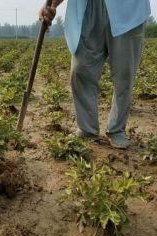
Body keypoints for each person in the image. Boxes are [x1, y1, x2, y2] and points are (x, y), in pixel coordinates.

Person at [40, 0, 151, 149]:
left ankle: (116, 130)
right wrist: (52, 4)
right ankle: (87, 129)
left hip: (127, 8)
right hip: (88, 7)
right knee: (80, 69)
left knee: (124, 74)